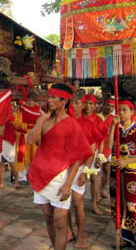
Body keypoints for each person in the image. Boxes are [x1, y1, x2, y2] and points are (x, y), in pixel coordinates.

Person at [27, 83, 92, 250]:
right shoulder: (45, 120)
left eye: (54, 97)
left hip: (60, 176)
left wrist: (68, 185)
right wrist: (41, 118)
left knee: (60, 221)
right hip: (40, 172)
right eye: (49, 97)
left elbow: (78, 157)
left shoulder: (71, 124)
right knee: (48, 217)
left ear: (64, 101)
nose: (49, 100)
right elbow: (31, 140)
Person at [108, 99, 136, 249]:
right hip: (116, 172)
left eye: (124, 110)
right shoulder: (116, 129)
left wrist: (127, 161)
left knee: (135, 205)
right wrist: (112, 127)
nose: (120, 113)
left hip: (133, 173)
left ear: (132, 112)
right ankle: (126, 238)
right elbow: (109, 146)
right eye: (118, 110)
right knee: (118, 203)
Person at [67, 92, 102, 249]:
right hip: (62, 167)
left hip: (80, 166)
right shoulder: (62, 122)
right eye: (71, 103)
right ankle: (68, 231)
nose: (73, 106)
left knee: (77, 201)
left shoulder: (88, 124)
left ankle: (82, 236)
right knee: (62, 202)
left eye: (77, 103)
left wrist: (85, 171)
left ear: (81, 105)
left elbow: (92, 150)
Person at [82, 94, 108, 214]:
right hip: (78, 152)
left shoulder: (98, 120)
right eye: (86, 102)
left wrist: (100, 156)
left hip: (93, 152)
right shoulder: (78, 117)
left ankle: (94, 204)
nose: (88, 106)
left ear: (95, 106)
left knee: (94, 178)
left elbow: (101, 139)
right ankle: (78, 203)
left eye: (91, 104)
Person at [97, 98, 115, 199]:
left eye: (112, 106)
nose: (109, 108)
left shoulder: (114, 119)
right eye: (108, 105)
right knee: (96, 171)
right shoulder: (97, 117)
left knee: (107, 169)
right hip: (97, 145)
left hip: (108, 145)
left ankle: (103, 189)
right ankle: (96, 193)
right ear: (104, 105)